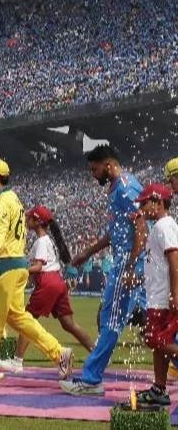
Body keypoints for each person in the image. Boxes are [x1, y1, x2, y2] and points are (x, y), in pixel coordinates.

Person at [61, 145, 149, 395]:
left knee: (110, 320)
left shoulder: (125, 187)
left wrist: (132, 266)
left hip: (128, 264)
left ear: (108, 165)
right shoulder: (115, 189)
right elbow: (114, 232)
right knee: (153, 322)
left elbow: (141, 226)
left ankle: (91, 379)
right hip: (132, 262)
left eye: (95, 169)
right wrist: (87, 253)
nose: (93, 174)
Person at [0, 159, 72, 379]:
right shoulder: (15, 200)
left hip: (6, 264)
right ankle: (60, 353)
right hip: (18, 264)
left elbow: (1, 232)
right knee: (18, 318)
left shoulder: (0, 202)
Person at [2, 205, 94, 373]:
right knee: (69, 324)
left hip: (48, 282)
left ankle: (17, 361)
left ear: (37, 222)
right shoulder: (49, 240)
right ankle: (97, 353)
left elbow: (38, 267)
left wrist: (18, 270)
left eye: (30, 217)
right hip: (57, 281)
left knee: (26, 320)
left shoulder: (41, 242)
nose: (27, 220)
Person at [133, 183, 178, 406]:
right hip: (157, 297)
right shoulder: (159, 227)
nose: (141, 208)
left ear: (158, 202)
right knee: (159, 342)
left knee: (155, 340)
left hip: (164, 299)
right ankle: (159, 389)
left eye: (144, 203)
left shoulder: (164, 226)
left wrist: (175, 294)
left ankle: (160, 388)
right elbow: (158, 265)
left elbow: (174, 260)